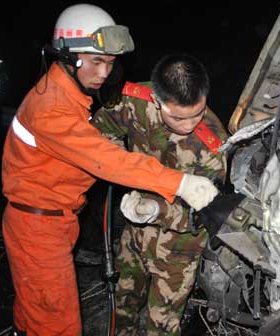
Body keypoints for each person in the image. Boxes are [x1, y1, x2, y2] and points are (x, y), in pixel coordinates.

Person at [1, 4, 219, 336]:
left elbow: (98, 142)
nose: (104, 73)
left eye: (111, 63)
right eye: (97, 62)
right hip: (39, 227)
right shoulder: (54, 108)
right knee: (57, 324)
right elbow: (105, 157)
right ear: (68, 57)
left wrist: (154, 204)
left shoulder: (69, 94)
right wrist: (179, 182)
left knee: (35, 312)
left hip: (56, 221)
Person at [92, 54, 228, 336]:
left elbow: (207, 214)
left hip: (179, 249)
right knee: (123, 306)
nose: (189, 124)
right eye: (178, 117)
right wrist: (118, 168)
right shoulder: (133, 102)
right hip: (135, 235)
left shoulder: (212, 146)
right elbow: (99, 133)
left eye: (198, 113)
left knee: (162, 326)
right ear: (156, 100)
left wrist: (156, 210)